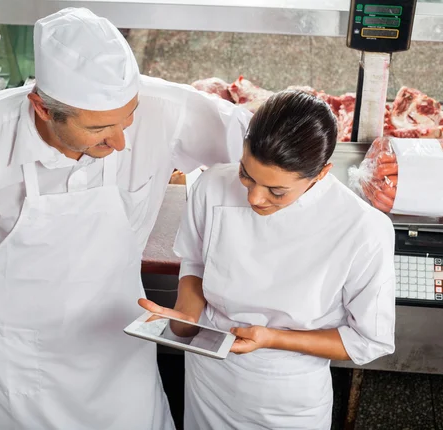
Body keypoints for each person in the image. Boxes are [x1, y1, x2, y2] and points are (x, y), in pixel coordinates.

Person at [0, 7, 252, 430]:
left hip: (116, 338)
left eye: (129, 117)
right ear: (43, 108)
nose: (122, 140)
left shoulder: (166, 108)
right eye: (100, 129)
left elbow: (265, 144)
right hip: (19, 349)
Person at [140, 90, 396, 429]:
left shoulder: (363, 228)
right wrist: (183, 320)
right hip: (207, 377)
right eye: (246, 174)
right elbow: (196, 263)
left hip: (284, 398)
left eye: (277, 191)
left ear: (321, 173)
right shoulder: (212, 183)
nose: (255, 197)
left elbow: (368, 341)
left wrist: (272, 338)